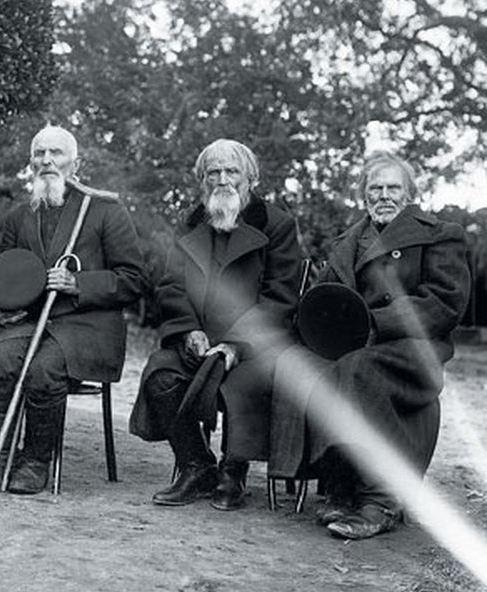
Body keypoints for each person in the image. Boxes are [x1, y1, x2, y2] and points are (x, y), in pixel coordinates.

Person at [270, 151, 471, 539]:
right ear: (364, 195)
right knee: (297, 362)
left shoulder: (439, 235)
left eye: (393, 188)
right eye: (375, 188)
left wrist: (374, 323)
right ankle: (338, 484)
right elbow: (323, 300)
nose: (384, 196)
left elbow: (444, 303)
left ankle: (382, 500)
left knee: (357, 369)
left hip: (411, 347)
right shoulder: (347, 242)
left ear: (409, 193)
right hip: (353, 344)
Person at [128, 139, 301, 510]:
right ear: (202, 180)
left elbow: (280, 297)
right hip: (200, 341)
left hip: (256, 345)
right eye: (213, 173)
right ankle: (197, 465)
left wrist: (236, 344)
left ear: (251, 178)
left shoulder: (278, 225)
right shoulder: (192, 224)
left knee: (243, 383)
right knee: (160, 376)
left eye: (231, 172)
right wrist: (188, 328)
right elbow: (171, 285)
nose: (222, 180)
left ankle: (233, 470)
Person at [0, 125, 144, 494]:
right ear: (31, 163)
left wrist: (78, 283)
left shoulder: (104, 211)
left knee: (44, 368)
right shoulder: (19, 216)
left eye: (56, 153)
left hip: (86, 327)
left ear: (75, 164)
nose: (47, 160)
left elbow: (134, 279)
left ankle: (36, 460)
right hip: (31, 321)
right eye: (39, 153)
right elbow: (3, 277)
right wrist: (3, 309)